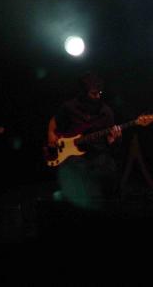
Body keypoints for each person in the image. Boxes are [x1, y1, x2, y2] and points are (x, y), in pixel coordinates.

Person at [47, 72, 122, 210]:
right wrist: (51, 134)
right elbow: (54, 121)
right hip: (73, 155)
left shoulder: (106, 112)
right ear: (83, 93)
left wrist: (114, 140)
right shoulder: (69, 107)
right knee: (74, 172)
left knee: (110, 171)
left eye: (99, 93)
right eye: (94, 93)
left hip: (98, 154)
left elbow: (113, 144)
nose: (98, 96)